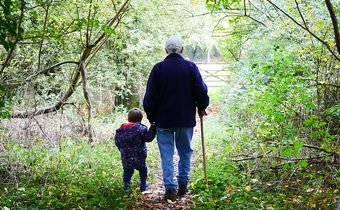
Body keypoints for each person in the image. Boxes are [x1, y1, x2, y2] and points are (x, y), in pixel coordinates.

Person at [143, 35, 209, 200]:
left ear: (166, 50)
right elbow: (201, 90)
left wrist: (152, 118)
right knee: (185, 151)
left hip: (163, 120)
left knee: (167, 154)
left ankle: (170, 188)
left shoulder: (158, 69)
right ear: (182, 49)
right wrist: (202, 106)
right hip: (185, 119)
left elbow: (149, 98)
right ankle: (183, 183)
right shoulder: (190, 67)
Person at [114, 108, 156, 193]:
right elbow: (148, 138)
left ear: (128, 118)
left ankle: (126, 188)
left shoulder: (121, 131)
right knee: (143, 170)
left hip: (126, 156)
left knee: (127, 172)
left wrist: (122, 150)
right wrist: (153, 127)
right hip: (139, 156)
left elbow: (117, 142)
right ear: (140, 119)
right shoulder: (141, 129)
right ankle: (143, 185)